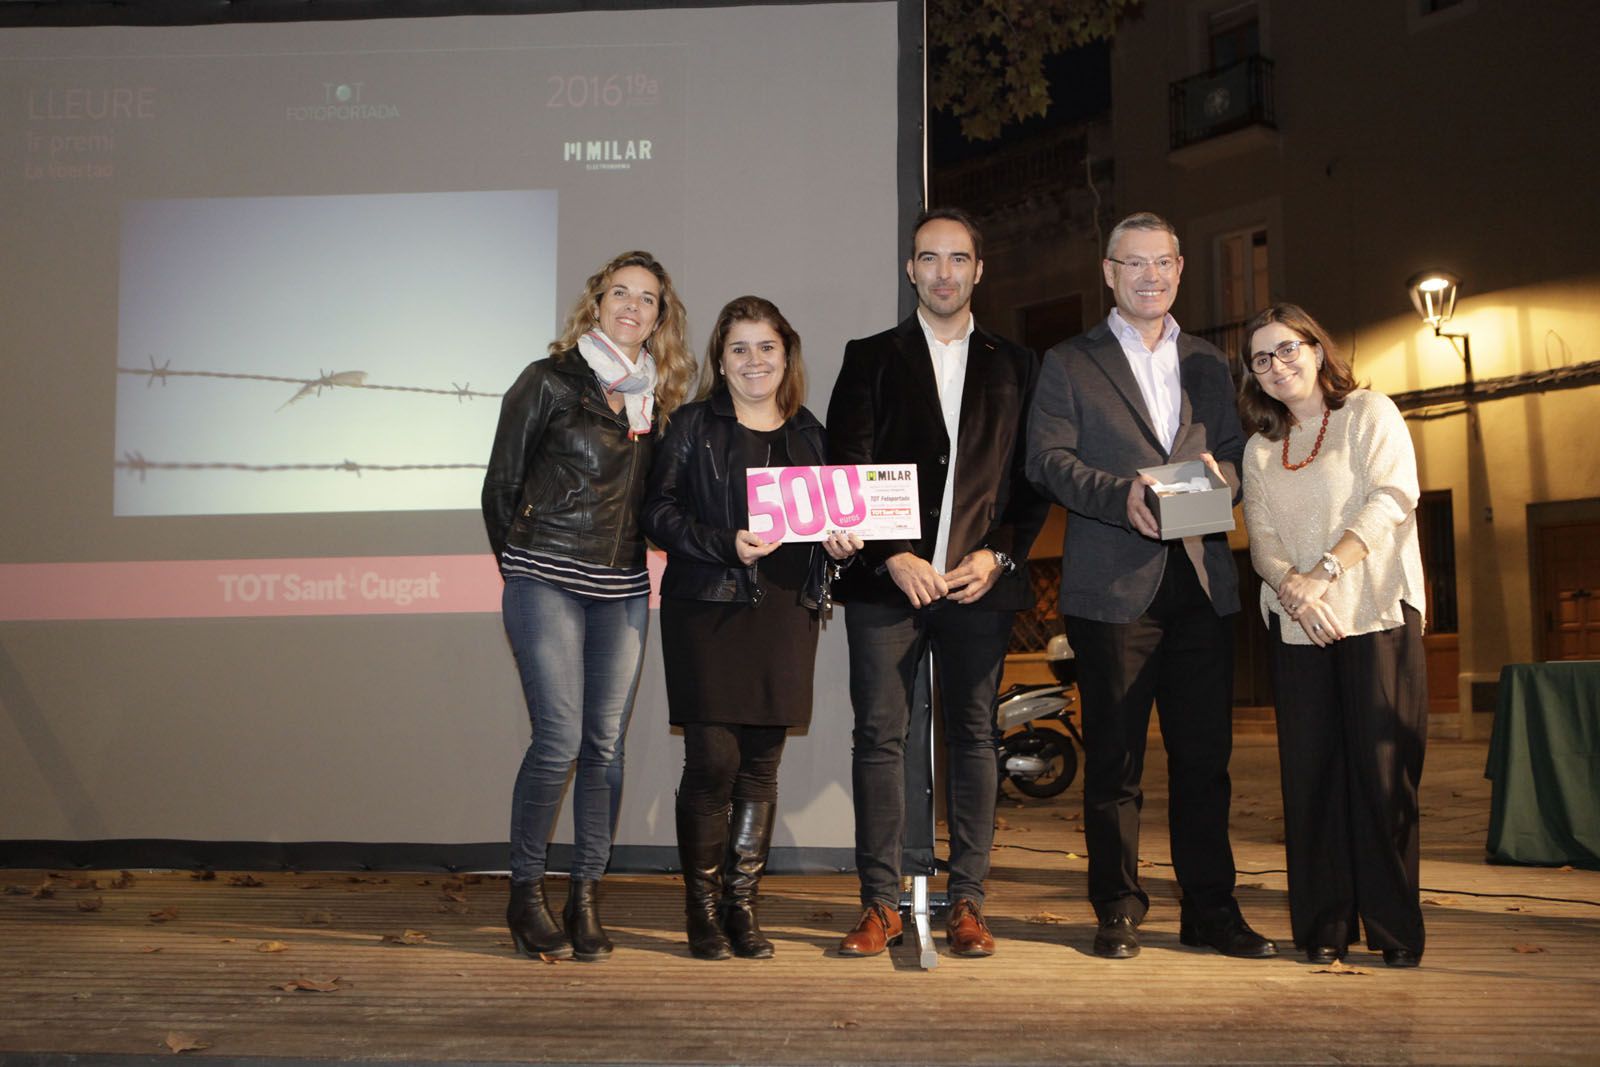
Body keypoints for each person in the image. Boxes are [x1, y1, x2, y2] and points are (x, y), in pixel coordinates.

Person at [1025, 211, 1275, 960]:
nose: (1151, 276)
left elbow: (1233, 453)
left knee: (1206, 762)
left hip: (1200, 582)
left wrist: (1225, 480)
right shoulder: (1069, 362)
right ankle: (1119, 907)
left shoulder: (1207, 359)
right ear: (1109, 272)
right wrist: (1118, 495)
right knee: (1115, 763)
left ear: (1179, 269)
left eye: (1163, 262)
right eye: (1134, 264)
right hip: (1114, 585)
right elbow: (1047, 460)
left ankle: (1211, 911)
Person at [826, 207, 1046, 959]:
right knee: (879, 739)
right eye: (929, 258)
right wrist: (891, 552)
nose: (944, 272)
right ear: (910, 269)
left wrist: (998, 557)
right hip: (887, 584)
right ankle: (881, 903)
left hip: (979, 586)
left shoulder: (1020, 365)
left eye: (959, 259)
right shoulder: (870, 358)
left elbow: (1029, 484)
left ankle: (969, 901)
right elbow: (845, 468)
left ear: (979, 270)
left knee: (975, 737)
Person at [482, 250, 695, 963]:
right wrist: (521, 567)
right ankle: (525, 893)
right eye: (619, 293)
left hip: (624, 591)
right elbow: (500, 487)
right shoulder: (546, 381)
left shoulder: (656, 405)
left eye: (647, 299)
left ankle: (585, 896)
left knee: (605, 749)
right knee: (560, 740)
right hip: (544, 576)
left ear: (660, 318)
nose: (632, 307)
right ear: (596, 303)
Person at [642, 296, 861, 961]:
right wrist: (721, 542)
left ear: (785, 355)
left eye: (766, 347)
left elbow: (828, 522)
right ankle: (702, 911)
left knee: (761, 766)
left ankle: (743, 908)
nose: (754, 360)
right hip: (707, 608)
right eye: (739, 348)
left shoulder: (810, 432)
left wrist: (841, 543)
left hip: (784, 614)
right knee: (712, 761)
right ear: (720, 359)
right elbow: (656, 514)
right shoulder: (688, 426)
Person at [1238, 302, 1428, 967]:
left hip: (1374, 613)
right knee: (1311, 780)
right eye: (1261, 358)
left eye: (1287, 348)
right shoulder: (1260, 449)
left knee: (1381, 779)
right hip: (1298, 628)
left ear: (1317, 348)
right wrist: (1295, 588)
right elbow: (1260, 541)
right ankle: (1322, 926)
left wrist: (1322, 573)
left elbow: (1394, 495)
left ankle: (1395, 929)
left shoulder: (1370, 414)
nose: (1277, 365)